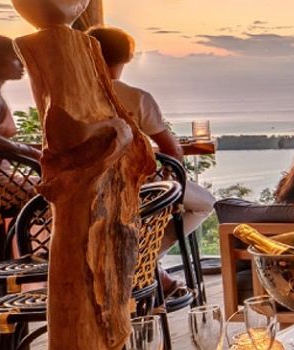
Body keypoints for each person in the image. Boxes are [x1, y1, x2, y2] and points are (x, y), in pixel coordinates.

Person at [87, 27, 220, 293]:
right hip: (138, 188)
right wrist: (167, 180)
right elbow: (172, 151)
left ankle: (142, 260)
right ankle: (145, 257)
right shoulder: (135, 98)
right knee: (206, 203)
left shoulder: (72, 98)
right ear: (126, 57)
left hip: (88, 191)